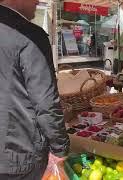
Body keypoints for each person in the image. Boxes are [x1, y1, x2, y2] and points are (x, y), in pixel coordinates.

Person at [0, 0, 70, 179]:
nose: (38, 1)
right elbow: (46, 102)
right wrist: (60, 149)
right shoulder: (30, 35)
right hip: (19, 155)